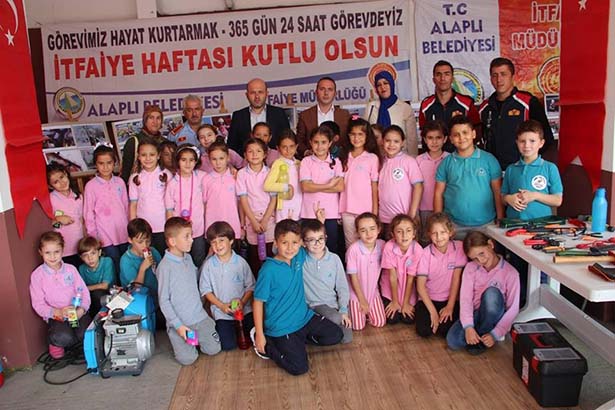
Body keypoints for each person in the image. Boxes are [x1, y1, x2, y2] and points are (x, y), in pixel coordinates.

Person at [251, 219, 343, 375]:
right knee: (300, 368)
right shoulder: (268, 270)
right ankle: (269, 346)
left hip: (304, 318)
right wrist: (260, 335)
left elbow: (312, 240)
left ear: (300, 242)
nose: (289, 248)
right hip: (282, 326)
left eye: (294, 242)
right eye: (284, 243)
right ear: (276, 243)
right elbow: (258, 302)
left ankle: (297, 342)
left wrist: (319, 222)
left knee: (336, 335)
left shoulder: (298, 256)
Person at [157, 217, 221, 365]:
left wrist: (208, 257)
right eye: (186, 236)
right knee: (188, 359)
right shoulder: (164, 267)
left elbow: (196, 277)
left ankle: (197, 339)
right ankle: (185, 341)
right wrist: (178, 326)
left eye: (191, 235)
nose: (191, 240)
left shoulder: (187, 258)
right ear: (172, 241)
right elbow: (164, 301)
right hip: (182, 324)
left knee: (213, 349)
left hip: (199, 317)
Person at [446, 231, 520, 355]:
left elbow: (513, 309)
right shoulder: (470, 268)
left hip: (494, 316)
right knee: (452, 341)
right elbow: (465, 300)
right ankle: (480, 337)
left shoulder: (511, 273)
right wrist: (468, 327)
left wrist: (496, 333)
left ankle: (485, 336)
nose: (480, 260)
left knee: (491, 294)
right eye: (475, 258)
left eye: (482, 253)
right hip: (476, 314)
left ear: (490, 245)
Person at [434, 116, 504, 237]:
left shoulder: (489, 160)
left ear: (473, 134)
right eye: (456, 135)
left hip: (486, 224)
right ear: (451, 139)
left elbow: (497, 191)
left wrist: (501, 217)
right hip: (454, 225)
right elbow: (438, 194)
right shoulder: (446, 163)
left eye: (465, 132)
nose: (461, 137)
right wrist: (438, 222)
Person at [479, 57, 554, 170]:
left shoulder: (529, 102)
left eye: (503, 74)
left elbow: (547, 138)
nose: (499, 79)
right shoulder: (484, 107)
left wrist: (529, 162)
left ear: (512, 76)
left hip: (522, 169)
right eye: (495, 75)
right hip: (493, 171)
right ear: (490, 78)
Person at [30, 232, 91, 360]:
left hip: (76, 311)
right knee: (63, 337)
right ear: (40, 252)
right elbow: (38, 303)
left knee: (86, 333)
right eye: (47, 253)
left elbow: (84, 292)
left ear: (63, 250)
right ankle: (56, 342)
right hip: (57, 316)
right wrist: (56, 312)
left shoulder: (71, 269)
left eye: (56, 252)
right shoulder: (37, 275)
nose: (52, 257)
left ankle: (77, 341)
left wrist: (81, 310)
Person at [200, 222, 255, 351]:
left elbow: (250, 287)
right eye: (213, 242)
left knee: (253, 336)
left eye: (221, 240)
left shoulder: (241, 263)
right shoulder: (208, 266)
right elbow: (206, 291)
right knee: (228, 345)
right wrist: (221, 306)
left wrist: (242, 302)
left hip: (244, 311)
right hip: (222, 312)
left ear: (231, 241)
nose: (218, 245)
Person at [414, 212, 466, 338]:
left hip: (450, 299)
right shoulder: (425, 253)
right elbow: (420, 286)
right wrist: (433, 312)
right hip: (428, 299)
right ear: (429, 234)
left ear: (450, 232)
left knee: (444, 331)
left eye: (443, 232)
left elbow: (456, 279)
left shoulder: (459, 248)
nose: (439, 237)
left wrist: (450, 306)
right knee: (424, 331)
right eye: (434, 233)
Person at [301, 219, 352, 343]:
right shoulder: (301, 258)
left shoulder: (334, 259)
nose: (317, 243)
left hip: (332, 305)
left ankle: (319, 329)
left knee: (346, 338)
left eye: (320, 238)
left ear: (326, 238)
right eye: (311, 240)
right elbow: (277, 250)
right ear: (304, 243)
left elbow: (342, 287)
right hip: (314, 305)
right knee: (335, 319)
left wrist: (343, 310)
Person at [502, 119, 563, 220]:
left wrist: (535, 195)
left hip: (541, 223)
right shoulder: (511, 169)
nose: (527, 145)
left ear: (541, 143)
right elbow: (502, 197)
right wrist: (509, 198)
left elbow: (557, 200)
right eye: (522, 141)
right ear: (517, 142)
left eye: (532, 141)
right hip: (514, 223)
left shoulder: (550, 168)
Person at [83, 144, 129, 275]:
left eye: (109, 163)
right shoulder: (91, 186)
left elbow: (126, 207)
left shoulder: (120, 182)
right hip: (105, 236)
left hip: (123, 232)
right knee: (113, 265)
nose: (105, 167)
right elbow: (88, 214)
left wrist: (130, 229)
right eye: (101, 163)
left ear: (115, 162)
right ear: (95, 164)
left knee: (126, 264)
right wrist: (94, 237)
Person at [300, 125, 345, 254]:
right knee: (309, 247)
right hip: (309, 212)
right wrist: (329, 185)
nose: (319, 146)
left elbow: (340, 186)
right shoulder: (306, 161)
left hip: (330, 213)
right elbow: (305, 187)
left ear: (330, 143)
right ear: (310, 142)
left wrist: (314, 186)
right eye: (316, 142)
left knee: (330, 247)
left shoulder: (336, 162)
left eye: (324, 142)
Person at [418, 60, 480, 153]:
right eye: (438, 74)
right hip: (435, 158)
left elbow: (476, 133)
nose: (442, 78)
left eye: (447, 74)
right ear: (433, 79)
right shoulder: (425, 105)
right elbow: (423, 136)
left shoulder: (466, 103)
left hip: (460, 157)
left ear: (452, 78)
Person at [236, 138, 277, 276]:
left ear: (265, 154)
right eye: (250, 151)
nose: (254, 154)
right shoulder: (242, 174)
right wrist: (253, 221)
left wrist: (265, 220)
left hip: (269, 218)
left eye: (258, 151)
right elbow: (243, 200)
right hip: (251, 219)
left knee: (270, 252)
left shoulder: (271, 172)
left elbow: (273, 199)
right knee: (254, 255)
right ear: (245, 155)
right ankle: (257, 283)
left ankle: (271, 282)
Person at [338, 118, 380, 248]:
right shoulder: (343, 156)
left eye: (360, 134)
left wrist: (374, 212)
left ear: (367, 136)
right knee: (350, 245)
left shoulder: (372, 158)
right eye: (353, 134)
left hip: (366, 210)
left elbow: (374, 187)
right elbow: (339, 185)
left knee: (368, 243)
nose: (356, 138)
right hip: (347, 209)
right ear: (348, 135)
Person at [165, 144, 207, 268]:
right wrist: (171, 231)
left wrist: (232, 168)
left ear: (196, 161)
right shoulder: (172, 183)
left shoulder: (202, 177)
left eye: (191, 160)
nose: (188, 164)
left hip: (198, 228)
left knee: (199, 258)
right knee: (181, 259)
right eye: (183, 160)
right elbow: (169, 209)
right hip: (179, 231)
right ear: (177, 161)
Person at [378, 125, 423, 239]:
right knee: (389, 247)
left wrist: (412, 213)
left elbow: (418, 187)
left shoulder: (408, 161)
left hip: (405, 218)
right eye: (388, 140)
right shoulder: (380, 162)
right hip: (385, 218)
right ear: (382, 141)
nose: (391, 144)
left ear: (402, 143)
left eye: (396, 141)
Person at [128, 138, 170, 255]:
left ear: (158, 155)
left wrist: (170, 225)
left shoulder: (166, 175)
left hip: (163, 226)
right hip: (143, 230)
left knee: (163, 256)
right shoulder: (135, 178)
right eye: (143, 155)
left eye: (152, 154)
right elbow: (133, 204)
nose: (148, 158)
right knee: (148, 258)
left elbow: (172, 203)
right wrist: (134, 228)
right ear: (138, 156)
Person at [227, 78, 291, 154]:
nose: (257, 96)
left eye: (260, 92)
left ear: (267, 93)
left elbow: (287, 140)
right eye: (253, 92)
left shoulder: (279, 113)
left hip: (275, 160)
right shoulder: (238, 116)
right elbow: (232, 148)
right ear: (247, 95)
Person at [380, 214, 423, 325]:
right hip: (390, 288)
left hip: (408, 288)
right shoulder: (389, 247)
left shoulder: (417, 249)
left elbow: (411, 278)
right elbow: (392, 277)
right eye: (399, 231)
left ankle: (405, 303)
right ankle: (391, 301)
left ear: (414, 233)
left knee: (408, 319)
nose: (404, 235)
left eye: (408, 231)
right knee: (392, 319)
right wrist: (394, 301)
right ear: (393, 234)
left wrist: (406, 303)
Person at [346, 213, 386, 330]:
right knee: (358, 326)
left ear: (378, 229)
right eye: (363, 230)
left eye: (372, 229)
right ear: (358, 233)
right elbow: (353, 278)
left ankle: (367, 313)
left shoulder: (383, 245)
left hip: (373, 291)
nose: (368, 234)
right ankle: (350, 309)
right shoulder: (353, 250)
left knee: (380, 322)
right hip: (356, 293)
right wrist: (362, 301)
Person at [364, 70, 418, 156]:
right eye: (379, 85)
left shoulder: (405, 108)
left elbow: (412, 140)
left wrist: (412, 159)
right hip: (376, 157)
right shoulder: (371, 107)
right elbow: (365, 134)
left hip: (399, 158)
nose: (383, 87)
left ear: (392, 84)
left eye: (386, 83)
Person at [296, 77, 351, 158]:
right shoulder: (305, 115)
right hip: (313, 161)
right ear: (316, 92)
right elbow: (299, 140)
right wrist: (306, 152)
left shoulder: (344, 115)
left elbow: (349, 139)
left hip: (340, 161)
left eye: (330, 89)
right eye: (322, 89)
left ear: (335, 93)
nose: (326, 93)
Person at [202, 141, 242, 242]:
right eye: (214, 159)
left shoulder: (235, 177)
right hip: (212, 226)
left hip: (232, 224)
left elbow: (241, 202)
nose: (218, 163)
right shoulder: (206, 179)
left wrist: (243, 225)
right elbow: (204, 204)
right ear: (209, 160)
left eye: (221, 158)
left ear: (228, 158)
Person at [416, 120, 449, 242]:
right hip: (424, 209)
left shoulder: (450, 159)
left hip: (446, 209)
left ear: (445, 139)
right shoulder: (418, 160)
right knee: (426, 240)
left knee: (444, 241)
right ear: (424, 139)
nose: (434, 142)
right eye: (430, 138)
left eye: (438, 138)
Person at [47, 163, 83, 268]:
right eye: (56, 182)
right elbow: (46, 223)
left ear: (66, 174)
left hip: (80, 247)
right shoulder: (50, 199)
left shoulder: (78, 196)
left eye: (62, 177)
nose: (62, 183)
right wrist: (57, 219)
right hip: (63, 250)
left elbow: (82, 220)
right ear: (50, 186)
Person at [264, 130, 303, 222]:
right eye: (284, 147)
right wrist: (286, 187)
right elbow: (267, 185)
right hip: (285, 208)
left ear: (296, 146)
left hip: (299, 205)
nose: (288, 150)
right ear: (278, 148)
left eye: (291, 146)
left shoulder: (299, 163)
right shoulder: (278, 163)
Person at [121, 105, 166, 183]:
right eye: (151, 118)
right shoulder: (133, 142)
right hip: (137, 186)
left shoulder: (165, 142)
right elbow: (126, 172)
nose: (155, 122)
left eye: (158, 118)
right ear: (145, 120)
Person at [119, 218, 161, 295]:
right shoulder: (126, 260)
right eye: (140, 242)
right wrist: (142, 269)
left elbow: (162, 273)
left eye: (148, 241)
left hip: (156, 294)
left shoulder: (153, 251)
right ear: (130, 240)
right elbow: (136, 288)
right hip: (138, 298)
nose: (145, 245)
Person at [77, 236, 115, 317]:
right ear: (81, 257)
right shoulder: (82, 268)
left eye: (93, 253)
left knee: (97, 294)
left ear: (99, 252)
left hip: (109, 294)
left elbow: (105, 285)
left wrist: (86, 288)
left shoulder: (107, 261)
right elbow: (81, 289)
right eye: (85, 255)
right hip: (92, 299)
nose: (90, 258)